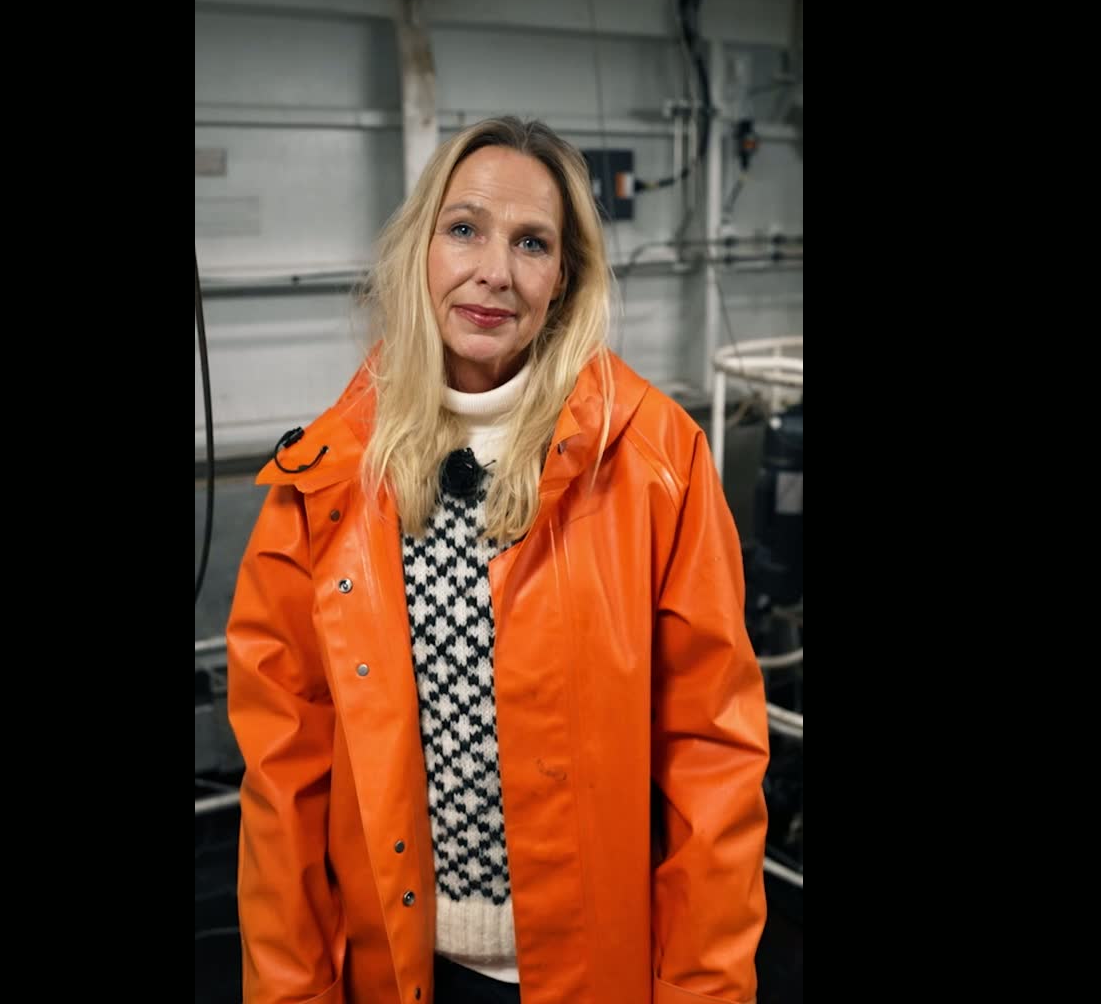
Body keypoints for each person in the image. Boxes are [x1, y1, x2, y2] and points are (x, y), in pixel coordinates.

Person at [226, 116, 770, 1004]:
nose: (495, 272)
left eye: (532, 243)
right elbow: (283, 783)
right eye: (465, 229)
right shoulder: (327, 477)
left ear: (564, 279)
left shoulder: (655, 462)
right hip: (396, 970)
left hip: (597, 972)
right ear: (421, 250)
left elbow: (711, 762)